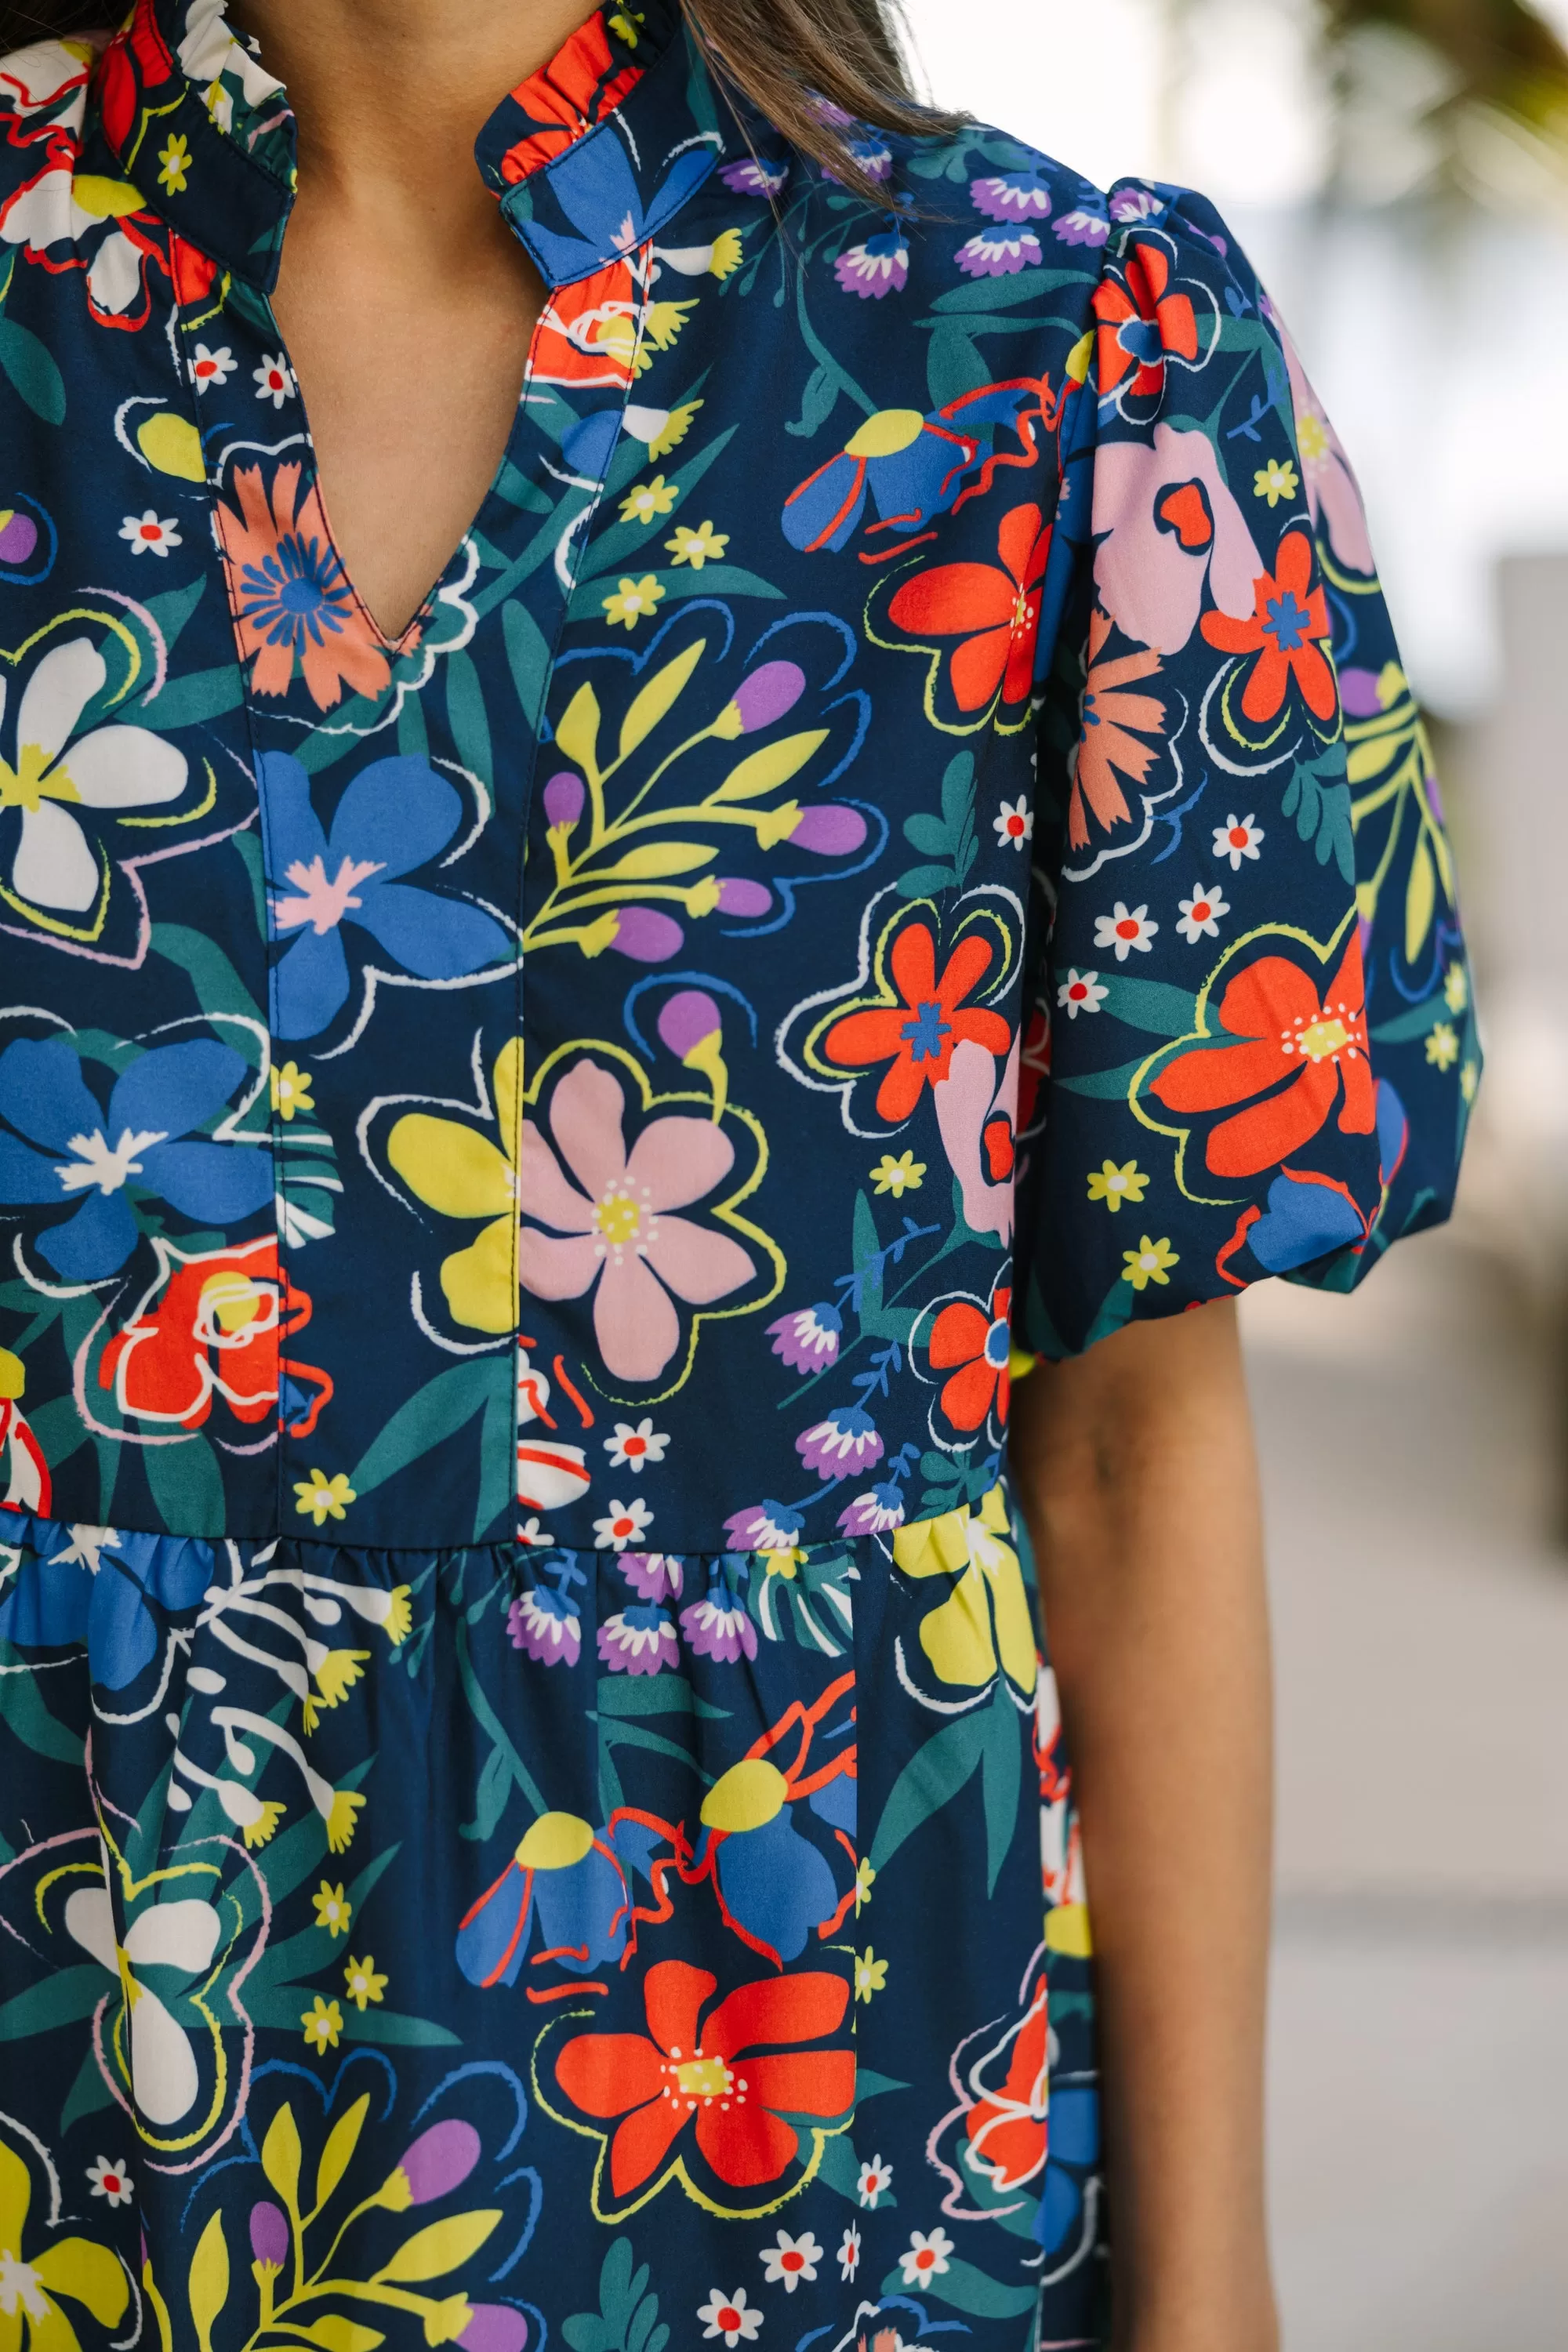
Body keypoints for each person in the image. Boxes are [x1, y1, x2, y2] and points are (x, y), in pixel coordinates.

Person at [0, 3, 1473, 2348]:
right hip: (63, 2104)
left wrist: (1213, 2300)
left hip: (814, 2144)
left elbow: (1125, 1453)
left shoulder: (1057, 348)